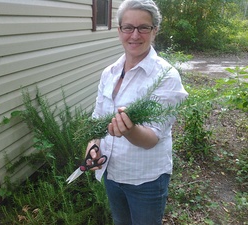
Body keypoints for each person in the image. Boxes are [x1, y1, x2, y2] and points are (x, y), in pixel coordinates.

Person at [85, 0, 188, 224]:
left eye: (143, 27)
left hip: (145, 181)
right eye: (128, 27)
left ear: (155, 31)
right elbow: (97, 120)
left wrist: (129, 129)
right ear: (119, 30)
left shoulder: (166, 77)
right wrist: (93, 145)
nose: (134, 35)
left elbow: (151, 138)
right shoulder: (109, 73)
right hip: (111, 173)